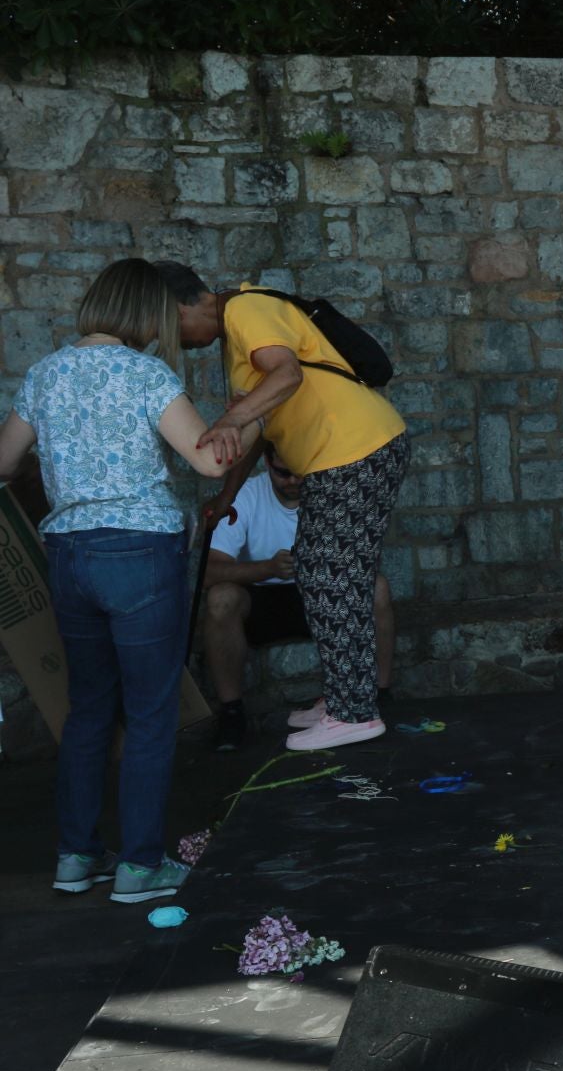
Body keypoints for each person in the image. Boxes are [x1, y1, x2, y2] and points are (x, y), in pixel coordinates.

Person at [0, 258, 255, 903]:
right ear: (147, 312)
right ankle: (141, 866)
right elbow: (205, 459)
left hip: (70, 556)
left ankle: (76, 856)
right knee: (148, 713)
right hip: (139, 553)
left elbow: (3, 464)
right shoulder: (145, 374)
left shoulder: (44, 374)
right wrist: (246, 416)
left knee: (88, 710)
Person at [155, 263, 409, 751]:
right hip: (343, 454)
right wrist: (226, 497)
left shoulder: (247, 308)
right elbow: (261, 421)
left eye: (172, 329)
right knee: (329, 572)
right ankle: (345, 696)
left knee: (330, 574)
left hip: (354, 448)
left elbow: (286, 375)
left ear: (184, 305)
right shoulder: (239, 331)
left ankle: (353, 711)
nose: (178, 344)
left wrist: (232, 418)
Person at [201, 443, 396, 751]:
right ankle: (231, 712)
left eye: (298, 473)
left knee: (378, 586)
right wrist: (266, 569)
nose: (292, 481)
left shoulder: (329, 487)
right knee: (220, 598)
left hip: (324, 597)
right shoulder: (247, 494)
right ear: (266, 462)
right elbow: (208, 572)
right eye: (282, 473)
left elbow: (364, 562)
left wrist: (321, 565)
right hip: (263, 600)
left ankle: (380, 695)